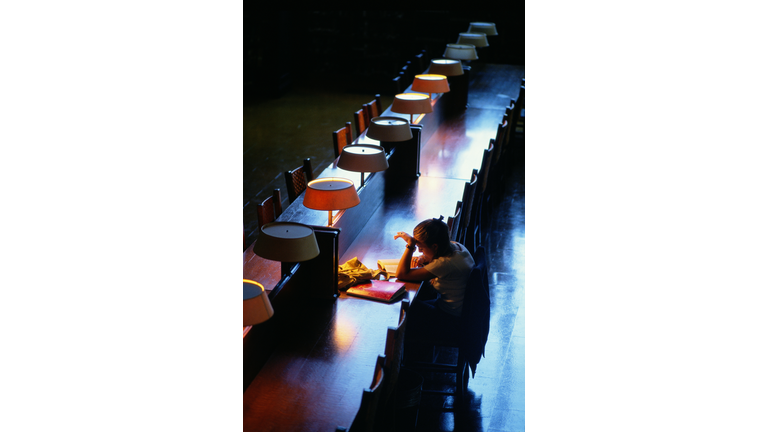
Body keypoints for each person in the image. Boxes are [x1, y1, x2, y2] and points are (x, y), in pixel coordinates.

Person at [394, 217, 475, 353]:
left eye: (421, 248)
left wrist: (410, 245)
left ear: (435, 246)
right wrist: (425, 257)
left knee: (401, 303)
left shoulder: (444, 264)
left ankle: (405, 358)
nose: (419, 251)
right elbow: (437, 258)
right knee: (412, 300)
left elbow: (402, 274)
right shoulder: (457, 247)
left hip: (451, 321)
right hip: (460, 312)